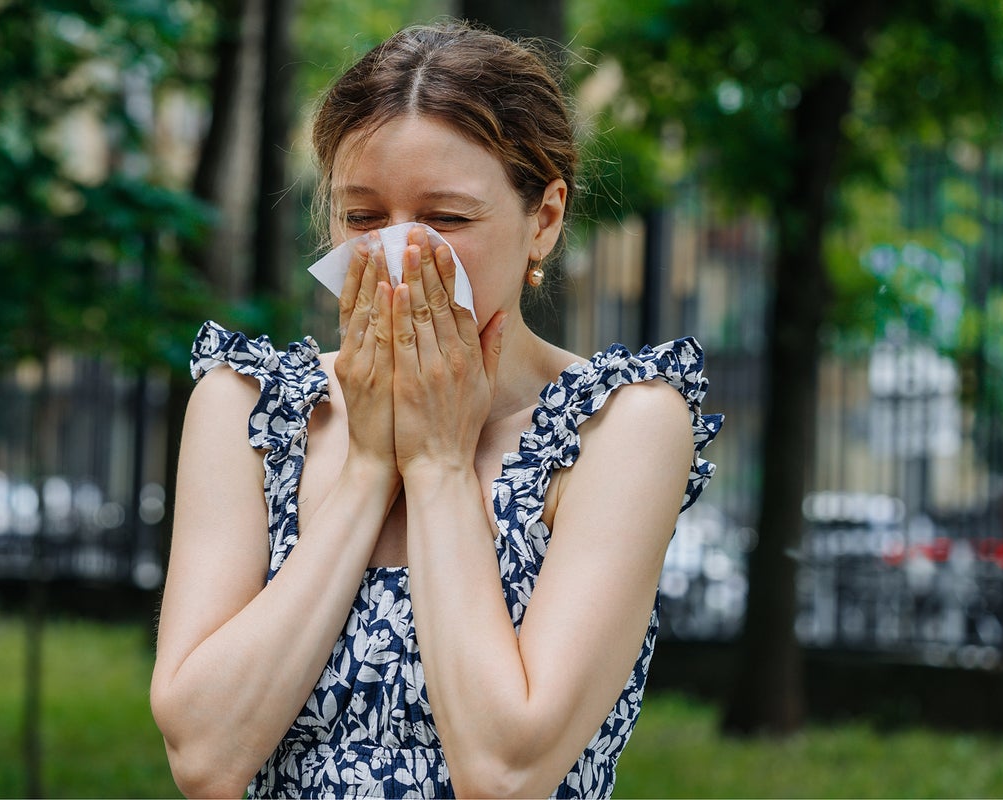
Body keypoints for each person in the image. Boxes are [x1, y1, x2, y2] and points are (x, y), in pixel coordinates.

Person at [151, 20, 721, 799]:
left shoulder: (619, 427)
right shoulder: (246, 406)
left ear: (543, 219)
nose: (400, 255)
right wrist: (369, 466)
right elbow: (204, 757)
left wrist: (440, 462)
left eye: (447, 219)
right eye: (361, 219)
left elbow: (506, 770)